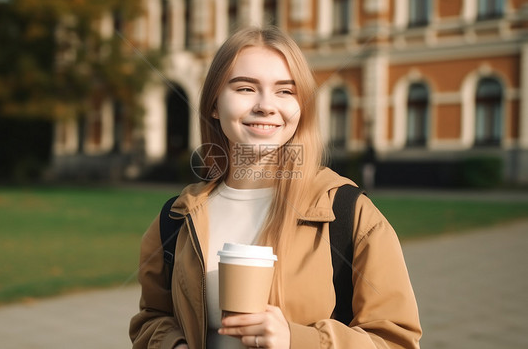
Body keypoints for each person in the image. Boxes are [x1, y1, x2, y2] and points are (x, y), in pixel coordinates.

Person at [129, 26, 422, 349]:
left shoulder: (349, 214)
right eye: (245, 88)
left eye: (285, 91)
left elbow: (396, 340)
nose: (266, 106)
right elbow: (151, 319)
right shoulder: (176, 218)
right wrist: (172, 345)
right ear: (214, 103)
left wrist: (298, 340)